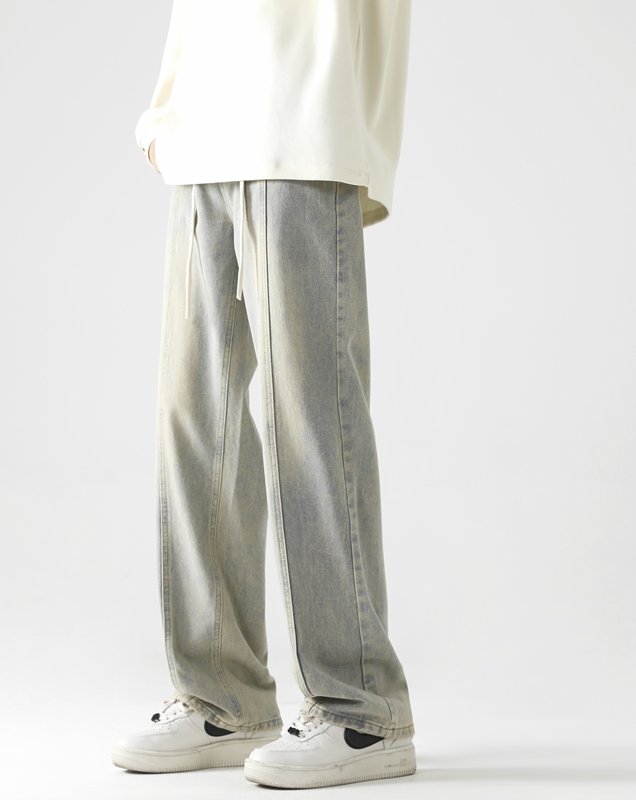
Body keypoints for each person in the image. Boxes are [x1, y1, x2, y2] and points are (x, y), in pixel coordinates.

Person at [112, 0, 416, 789]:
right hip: (202, 136)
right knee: (193, 418)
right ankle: (224, 697)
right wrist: (166, 104)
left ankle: (363, 709)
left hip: (302, 120)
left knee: (312, 418)